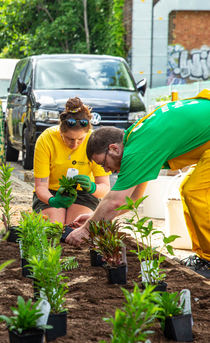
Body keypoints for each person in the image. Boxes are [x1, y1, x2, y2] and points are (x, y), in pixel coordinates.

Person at [65, 90, 210, 277]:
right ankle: (203, 257)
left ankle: (208, 260)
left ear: (114, 148)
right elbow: (132, 200)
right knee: (187, 189)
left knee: (194, 191)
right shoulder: (135, 137)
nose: (107, 170)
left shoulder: (137, 152)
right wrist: (95, 218)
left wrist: (86, 230)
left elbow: (116, 200)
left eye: (103, 163)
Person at [33, 97, 111, 224]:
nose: (75, 144)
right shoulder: (46, 138)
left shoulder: (94, 141)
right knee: (53, 227)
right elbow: (41, 186)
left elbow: (105, 188)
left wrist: (92, 188)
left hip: (83, 194)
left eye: (80, 139)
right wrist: (52, 201)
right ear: (61, 131)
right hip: (52, 192)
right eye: (69, 139)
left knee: (75, 227)